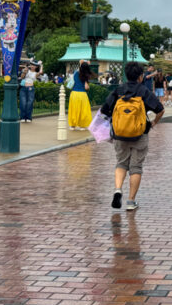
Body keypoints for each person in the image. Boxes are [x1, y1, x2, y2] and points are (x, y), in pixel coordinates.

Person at [101, 61, 164, 212]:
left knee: (121, 163)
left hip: (120, 134)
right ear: (141, 77)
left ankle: (117, 189)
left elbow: (104, 110)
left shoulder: (119, 90)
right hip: (139, 134)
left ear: (126, 75)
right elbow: (160, 109)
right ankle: (131, 201)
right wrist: (154, 123)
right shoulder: (144, 91)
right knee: (136, 167)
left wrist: (116, 121)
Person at [68, 60, 93, 130]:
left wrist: (85, 62)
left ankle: (72, 125)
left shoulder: (76, 73)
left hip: (74, 94)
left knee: (74, 109)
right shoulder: (86, 75)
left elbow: (80, 61)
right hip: (82, 94)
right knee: (83, 110)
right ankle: (82, 125)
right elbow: (86, 87)